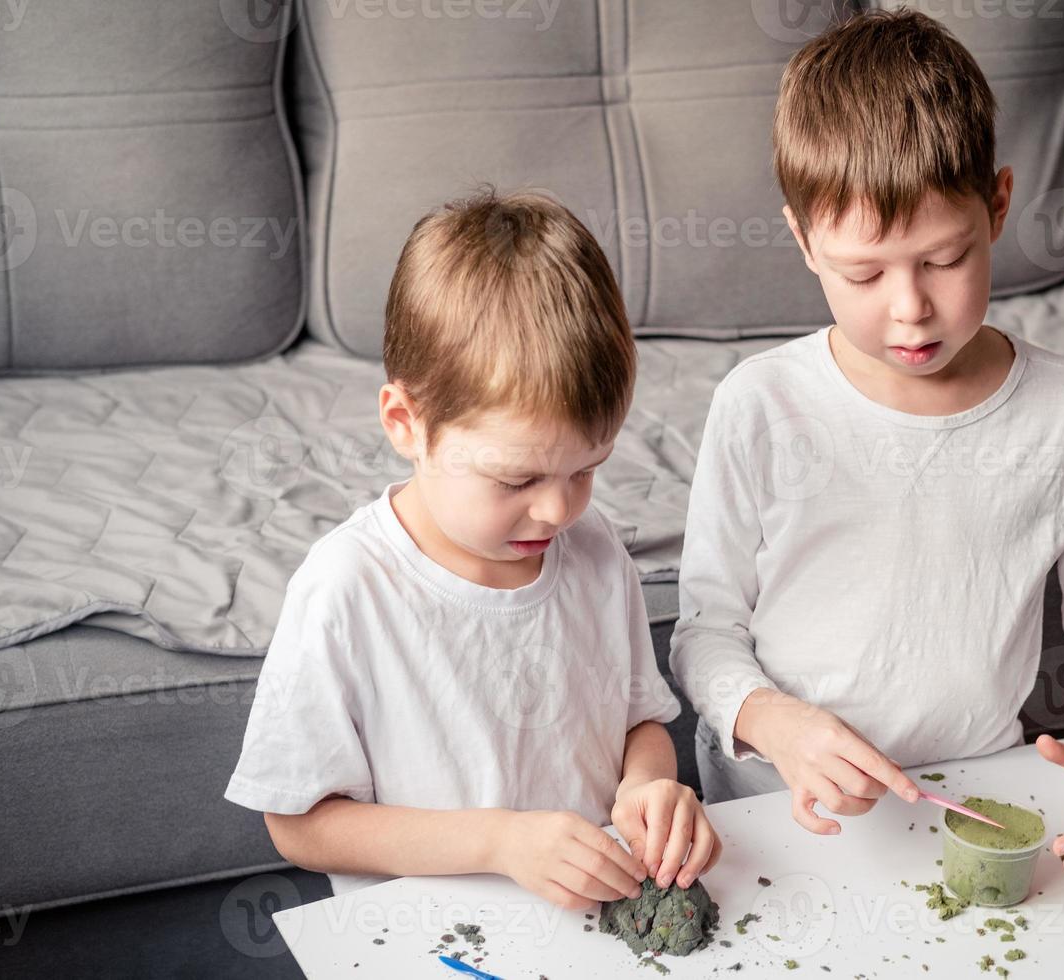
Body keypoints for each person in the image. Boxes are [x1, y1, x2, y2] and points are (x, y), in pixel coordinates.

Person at [670, 9, 1064, 878]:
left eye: (945, 258)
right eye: (863, 273)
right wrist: (774, 723)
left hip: (968, 803)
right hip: (780, 812)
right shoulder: (760, 406)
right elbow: (705, 631)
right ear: (803, 241)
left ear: (999, 205)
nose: (909, 307)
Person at [226, 188, 721, 907]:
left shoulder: (593, 550)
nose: (558, 508)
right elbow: (298, 824)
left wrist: (649, 784)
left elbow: (639, 719)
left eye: (587, 469)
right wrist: (500, 842)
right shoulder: (347, 588)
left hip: (583, 927)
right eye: (515, 476)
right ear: (405, 423)